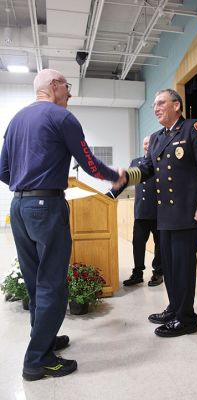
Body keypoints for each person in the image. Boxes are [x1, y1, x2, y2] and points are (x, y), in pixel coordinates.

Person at [0, 69, 126, 381]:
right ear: (54, 86)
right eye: (67, 87)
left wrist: (25, 187)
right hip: (47, 207)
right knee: (53, 284)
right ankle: (37, 360)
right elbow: (89, 163)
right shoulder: (61, 117)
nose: (69, 94)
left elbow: (2, 169)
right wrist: (116, 176)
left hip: (19, 206)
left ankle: (44, 337)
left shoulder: (15, 120)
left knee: (35, 282)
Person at [125, 88, 197, 337]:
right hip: (164, 217)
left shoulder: (193, 129)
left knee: (182, 268)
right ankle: (174, 308)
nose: (156, 108)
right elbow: (146, 169)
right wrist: (125, 176)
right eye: (154, 105)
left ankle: (187, 319)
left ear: (176, 106)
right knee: (169, 266)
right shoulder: (157, 137)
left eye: (161, 103)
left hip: (188, 215)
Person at [107, 136, 163, 287]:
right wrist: (111, 194)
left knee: (160, 244)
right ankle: (137, 273)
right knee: (137, 242)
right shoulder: (135, 162)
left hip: (159, 211)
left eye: (149, 143)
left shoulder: (160, 161)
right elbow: (125, 182)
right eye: (145, 143)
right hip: (141, 211)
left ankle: (158, 272)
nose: (147, 146)